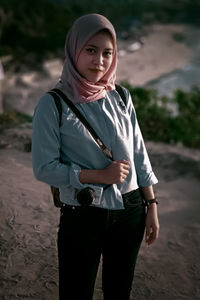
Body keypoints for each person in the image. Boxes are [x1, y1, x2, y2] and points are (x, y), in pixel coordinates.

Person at [32, 13, 159, 300]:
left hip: (131, 210)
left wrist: (151, 204)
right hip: (82, 213)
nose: (99, 61)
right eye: (90, 50)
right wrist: (98, 176)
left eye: (107, 53)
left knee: (119, 291)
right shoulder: (53, 103)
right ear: (74, 49)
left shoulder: (122, 97)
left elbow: (139, 153)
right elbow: (44, 168)